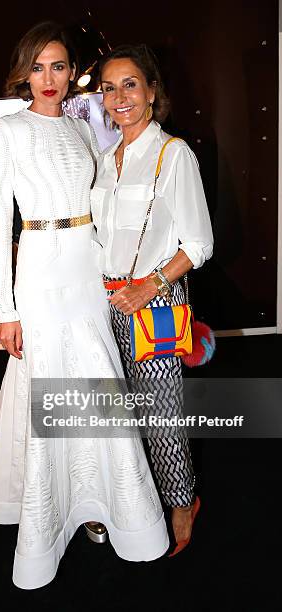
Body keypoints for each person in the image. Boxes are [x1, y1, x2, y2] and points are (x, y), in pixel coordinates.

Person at [0, 23, 169, 590]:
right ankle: (50, 515)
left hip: (86, 264)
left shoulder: (85, 130)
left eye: (59, 67)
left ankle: (99, 505)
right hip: (38, 265)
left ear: (70, 72)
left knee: (95, 380)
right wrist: (4, 309)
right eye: (38, 67)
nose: (49, 79)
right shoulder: (6, 130)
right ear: (23, 72)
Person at [92, 44, 214, 555]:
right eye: (109, 87)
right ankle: (132, 501)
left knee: (161, 414)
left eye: (130, 84)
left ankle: (182, 501)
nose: (120, 96)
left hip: (154, 303)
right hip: (104, 302)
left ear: (151, 90)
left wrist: (149, 288)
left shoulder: (173, 153)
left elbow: (200, 243)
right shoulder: (104, 159)